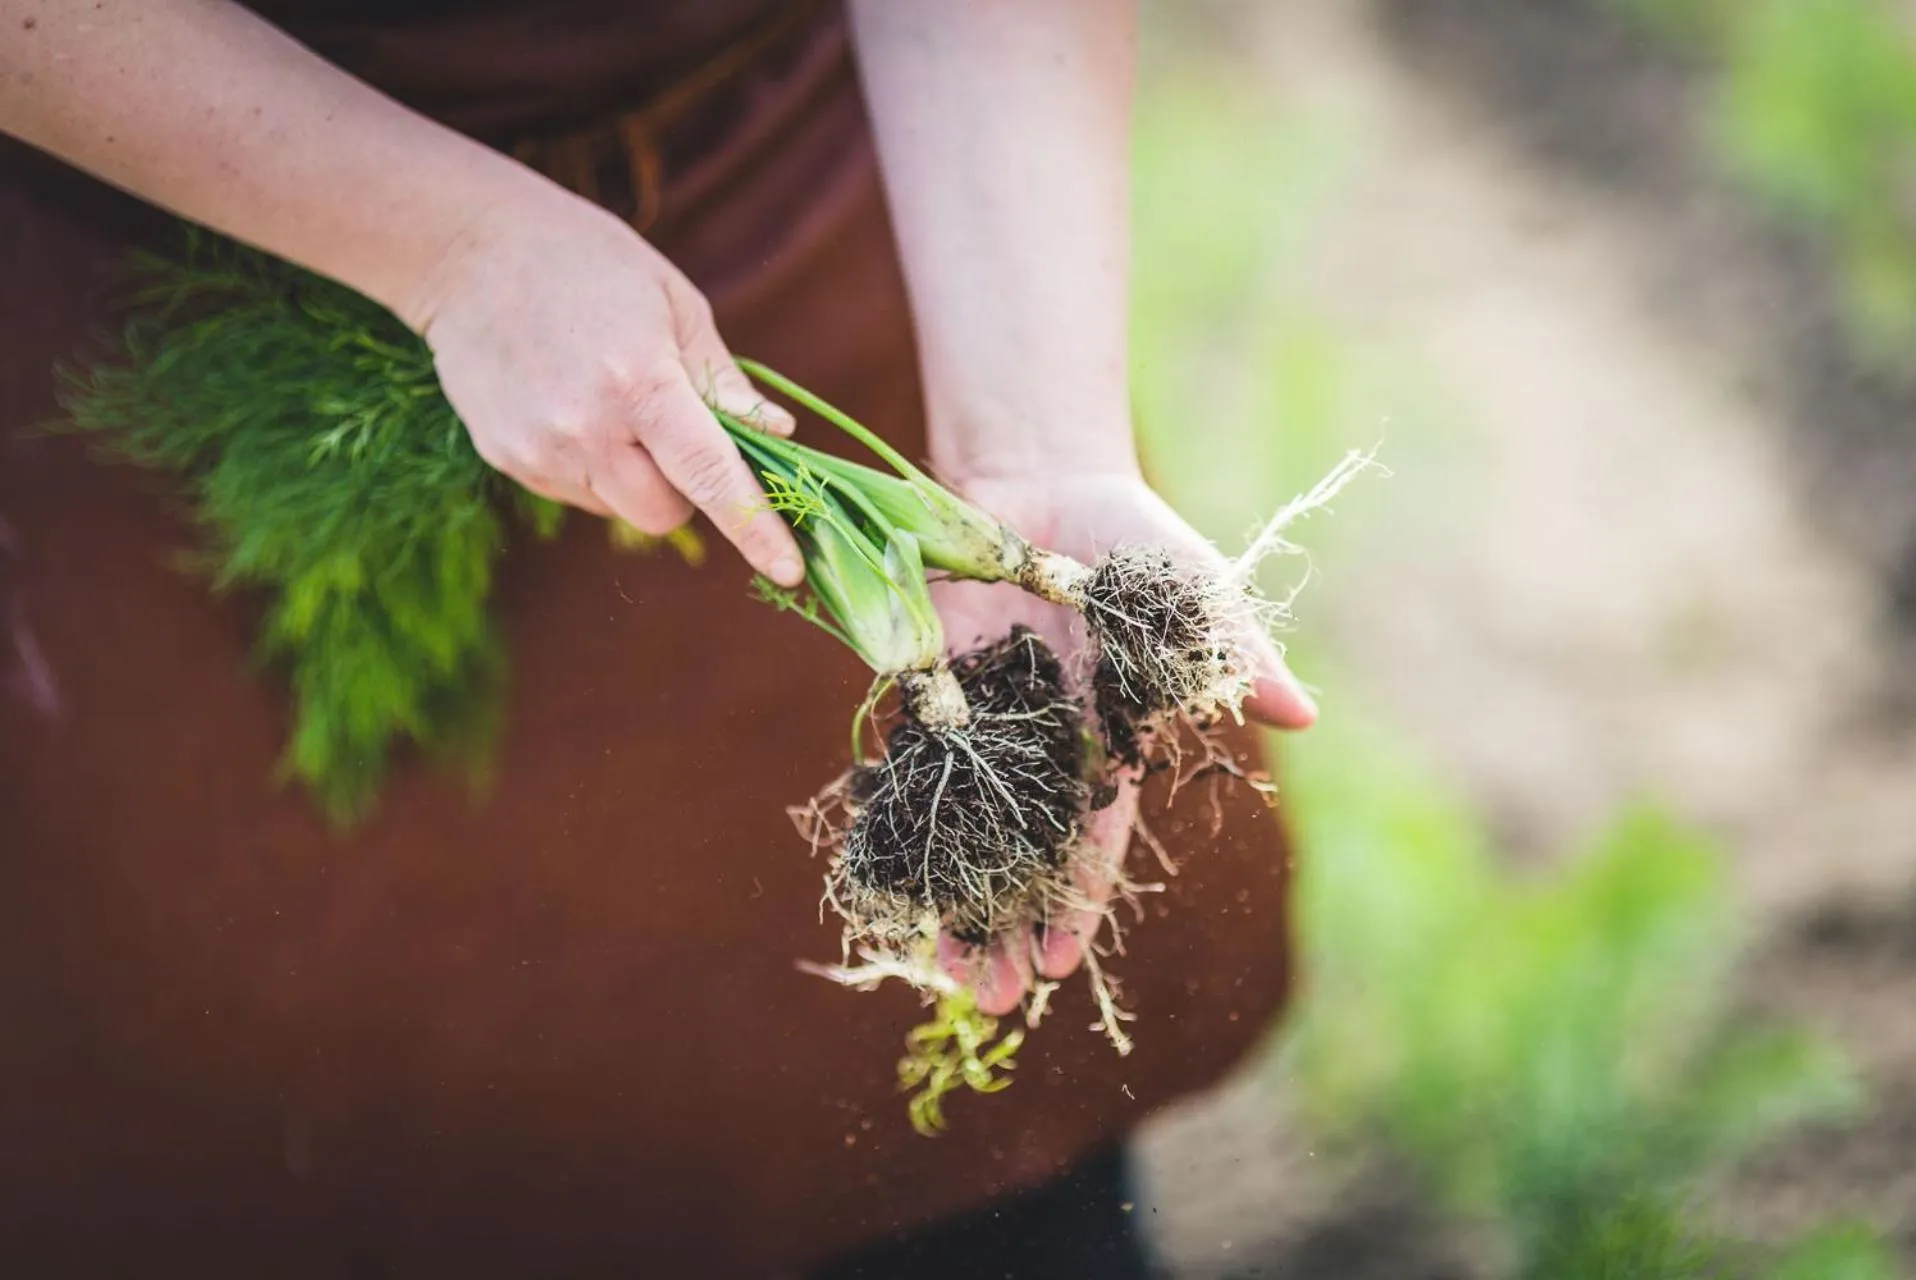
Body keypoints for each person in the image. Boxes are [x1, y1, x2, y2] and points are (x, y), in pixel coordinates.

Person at [0, 1, 1311, 1274]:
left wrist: (1033, 446)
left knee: (934, 1140)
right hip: (209, 245)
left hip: (827, 183)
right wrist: (451, 250)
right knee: (291, 1102)